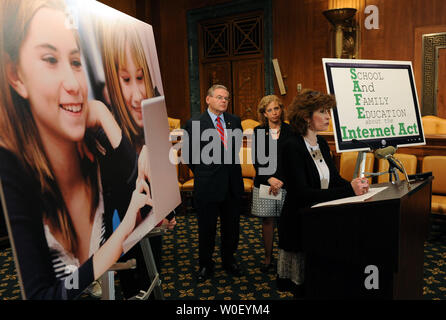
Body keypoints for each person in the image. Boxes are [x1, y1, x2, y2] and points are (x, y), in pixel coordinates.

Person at [0, 0, 152, 299]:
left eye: (75, 61)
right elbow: (43, 294)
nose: (73, 84)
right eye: (49, 59)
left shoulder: (91, 149)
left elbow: (134, 188)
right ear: (16, 75)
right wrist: (122, 234)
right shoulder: (13, 172)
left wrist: (104, 116)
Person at [96, 16, 176, 296]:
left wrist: (169, 208)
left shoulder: (152, 103)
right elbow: (122, 179)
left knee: (154, 271)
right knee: (132, 280)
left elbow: (162, 168)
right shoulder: (104, 123)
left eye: (140, 77)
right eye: (126, 79)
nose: (136, 92)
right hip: (123, 223)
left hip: (152, 219)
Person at [277, 89, 369, 297]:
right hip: (299, 225)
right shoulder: (291, 146)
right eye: (322, 111)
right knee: (303, 289)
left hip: (321, 222)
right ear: (306, 116)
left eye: (328, 111)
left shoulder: (322, 144)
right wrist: (349, 190)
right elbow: (302, 194)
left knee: (321, 284)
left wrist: (356, 186)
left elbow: (334, 180)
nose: (328, 116)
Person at [184, 84, 244, 281]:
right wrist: (204, 172)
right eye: (219, 97)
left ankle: (229, 260)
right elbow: (189, 157)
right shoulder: (193, 123)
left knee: (231, 227)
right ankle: (205, 264)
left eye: (226, 98)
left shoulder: (234, 121)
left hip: (232, 184)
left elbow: (234, 152)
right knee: (207, 228)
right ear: (208, 99)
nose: (224, 101)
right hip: (207, 185)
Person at [251, 95, 293, 273]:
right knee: (268, 221)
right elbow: (257, 159)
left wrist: (282, 180)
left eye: (277, 108)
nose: (274, 113)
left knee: (286, 222)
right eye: (270, 110)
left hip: (287, 183)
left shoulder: (292, 130)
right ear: (264, 113)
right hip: (265, 182)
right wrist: (270, 178)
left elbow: (294, 159)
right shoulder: (259, 131)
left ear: (281, 109)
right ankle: (268, 258)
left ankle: (285, 259)